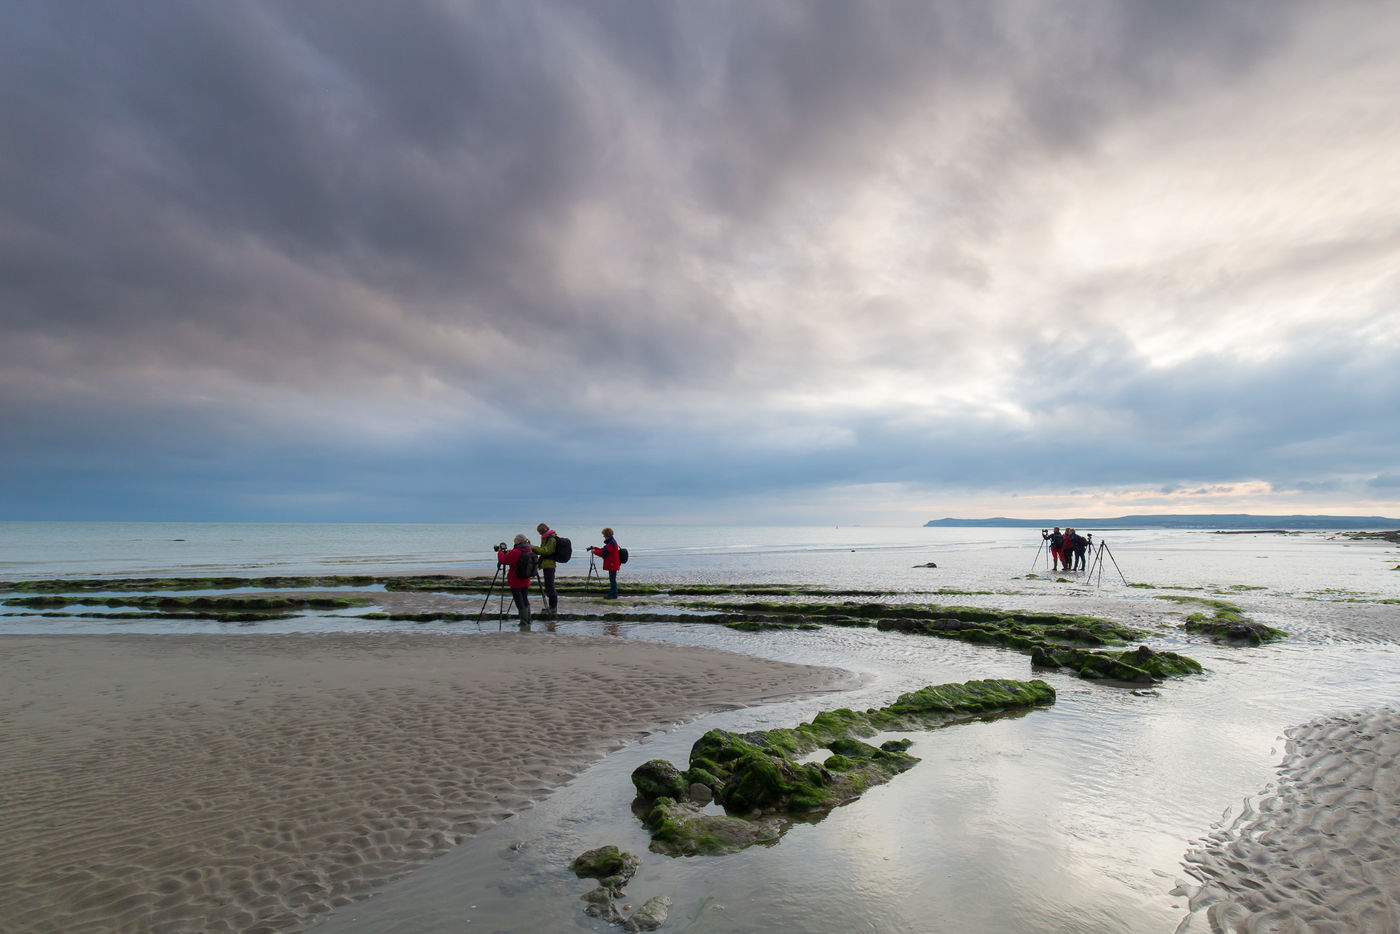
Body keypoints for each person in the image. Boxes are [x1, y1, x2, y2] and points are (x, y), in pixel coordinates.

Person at [497, 533, 534, 626]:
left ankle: (524, 622)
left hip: (516, 579)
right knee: (525, 598)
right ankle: (528, 619)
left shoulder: (516, 552)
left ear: (518, 541)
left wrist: (500, 552)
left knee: (519, 600)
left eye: (515, 539)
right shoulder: (528, 549)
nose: (514, 541)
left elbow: (503, 560)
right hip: (526, 578)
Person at [533, 522, 560, 615]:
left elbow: (546, 551)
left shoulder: (551, 539)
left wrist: (534, 547)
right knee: (549, 586)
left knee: (550, 586)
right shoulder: (547, 538)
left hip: (549, 564)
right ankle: (551, 607)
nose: (540, 534)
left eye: (540, 532)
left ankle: (553, 607)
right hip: (546, 564)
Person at [590, 527, 621, 599]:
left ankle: (614, 594)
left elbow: (603, 553)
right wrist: (595, 548)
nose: (603, 537)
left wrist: (594, 551)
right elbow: (604, 549)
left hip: (613, 564)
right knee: (612, 579)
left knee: (612, 579)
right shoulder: (611, 542)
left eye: (604, 535)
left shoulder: (612, 543)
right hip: (613, 563)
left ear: (607, 535)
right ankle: (612, 593)